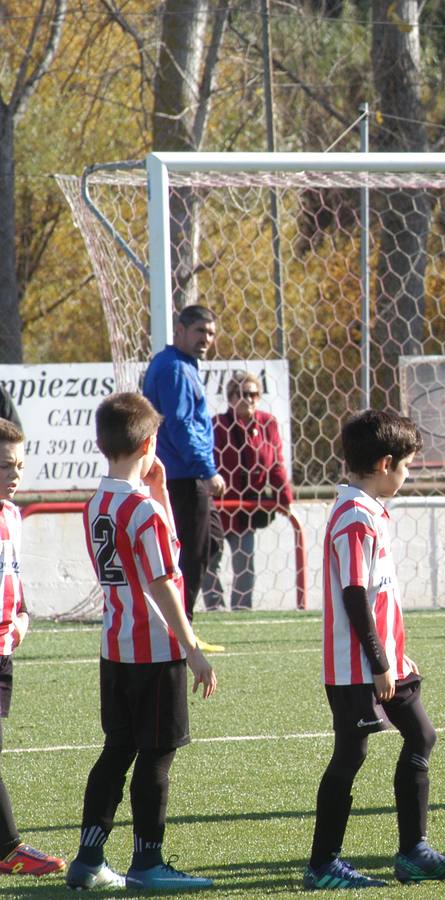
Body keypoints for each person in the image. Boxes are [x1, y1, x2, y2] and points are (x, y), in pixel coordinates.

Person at [304, 409, 445, 888]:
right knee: (350, 756)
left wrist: (396, 657)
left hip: (386, 662)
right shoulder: (354, 516)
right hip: (359, 667)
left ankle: (413, 853)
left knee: (421, 736)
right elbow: (355, 595)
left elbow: (379, 598)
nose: (408, 474)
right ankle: (323, 865)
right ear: (385, 463)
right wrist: (380, 664)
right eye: (407, 465)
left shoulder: (367, 510)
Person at [66, 393, 218, 891]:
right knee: (157, 755)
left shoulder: (98, 504)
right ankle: (147, 864)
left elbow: (146, 562)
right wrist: (192, 645)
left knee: (117, 750)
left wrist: (162, 496)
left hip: (115, 647)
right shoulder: (140, 511)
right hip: (156, 650)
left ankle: (88, 859)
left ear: (100, 442)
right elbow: (161, 581)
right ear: (152, 442)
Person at [0, 421, 67, 878]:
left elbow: (13, 577)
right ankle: (9, 848)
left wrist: (21, 616)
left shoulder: (12, 515)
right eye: (6, 464)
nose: (15, 473)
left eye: (20, 464)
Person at [141, 305, 225, 649]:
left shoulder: (180, 365)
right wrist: (206, 468)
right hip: (182, 476)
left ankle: (174, 620)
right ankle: (180, 629)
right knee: (190, 551)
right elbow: (180, 424)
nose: (206, 339)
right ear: (180, 329)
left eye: (210, 333)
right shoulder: (174, 368)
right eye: (200, 331)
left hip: (182, 473)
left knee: (211, 541)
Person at [203, 371, 293, 611]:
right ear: (230, 398)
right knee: (210, 561)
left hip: (246, 509)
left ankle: (242, 610)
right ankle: (215, 608)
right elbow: (207, 462)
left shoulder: (268, 423)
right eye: (242, 394)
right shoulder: (217, 425)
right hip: (219, 507)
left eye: (253, 394)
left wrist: (284, 497)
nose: (248, 399)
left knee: (245, 564)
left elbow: (275, 464)